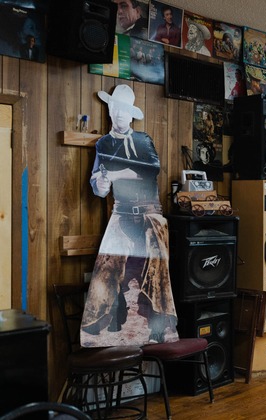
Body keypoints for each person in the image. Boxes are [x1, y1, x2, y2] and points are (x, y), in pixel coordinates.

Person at [81, 85, 178, 347]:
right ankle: (109, 323)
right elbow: (97, 186)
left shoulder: (143, 140)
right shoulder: (103, 143)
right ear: (111, 110)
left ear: (131, 114)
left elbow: (150, 170)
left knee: (157, 271)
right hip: (120, 213)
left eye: (125, 110)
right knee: (106, 268)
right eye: (116, 109)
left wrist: (113, 175)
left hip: (150, 214)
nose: (120, 114)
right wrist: (101, 184)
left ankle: (157, 330)